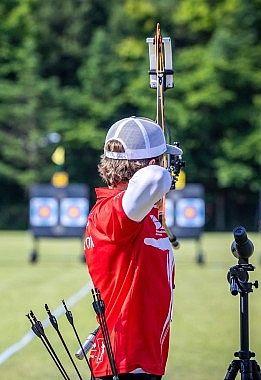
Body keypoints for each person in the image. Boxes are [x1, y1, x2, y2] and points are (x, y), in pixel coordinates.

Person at [83, 116, 183, 380]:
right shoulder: (111, 213)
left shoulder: (139, 213)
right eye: (163, 160)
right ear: (151, 163)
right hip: (125, 360)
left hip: (143, 359)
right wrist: (159, 168)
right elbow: (153, 179)